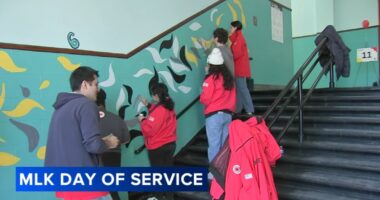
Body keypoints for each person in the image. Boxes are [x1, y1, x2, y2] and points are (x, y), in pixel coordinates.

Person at [44, 66, 119, 200]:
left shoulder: (59, 110)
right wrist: (108, 142)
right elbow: (93, 145)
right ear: (84, 84)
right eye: (95, 84)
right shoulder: (86, 105)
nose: (98, 89)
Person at [138, 83, 177, 200]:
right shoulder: (168, 107)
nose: (152, 98)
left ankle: (158, 197)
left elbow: (149, 130)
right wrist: (148, 105)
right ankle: (169, 197)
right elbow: (159, 116)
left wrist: (142, 120)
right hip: (170, 144)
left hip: (158, 147)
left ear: (156, 95)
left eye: (152, 95)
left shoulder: (160, 110)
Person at [200, 48, 236, 164]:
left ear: (210, 64)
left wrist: (206, 76)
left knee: (214, 145)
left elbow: (205, 98)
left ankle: (214, 175)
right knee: (225, 146)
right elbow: (233, 97)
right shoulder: (228, 78)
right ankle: (224, 172)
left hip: (214, 116)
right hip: (227, 115)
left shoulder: (210, 79)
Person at [96, 88, 130, 200]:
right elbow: (126, 140)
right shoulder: (117, 119)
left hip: (96, 158)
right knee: (112, 191)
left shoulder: (87, 120)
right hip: (115, 158)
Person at [230, 20, 255, 115]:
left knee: (242, 88)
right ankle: (238, 109)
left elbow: (236, 54)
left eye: (231, 27)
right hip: (239, 68)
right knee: (239, 89)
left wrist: (228, 56)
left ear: (236, 27)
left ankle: (249, 109)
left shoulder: (239, 38)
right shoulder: (238, 38)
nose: (230, 29)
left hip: (240, 68)